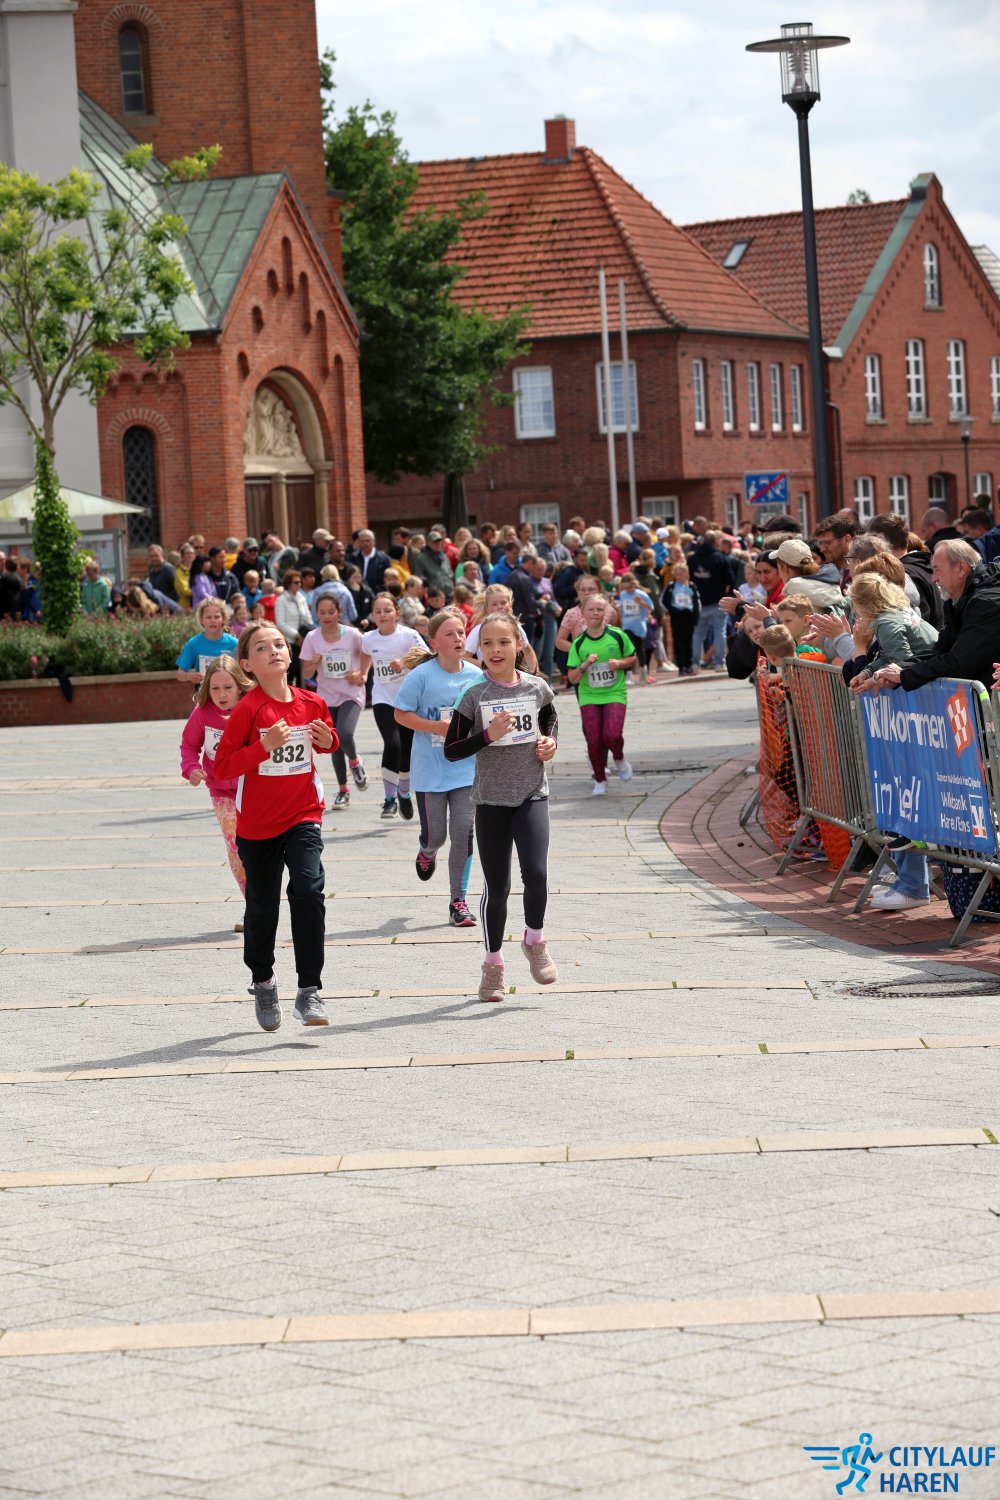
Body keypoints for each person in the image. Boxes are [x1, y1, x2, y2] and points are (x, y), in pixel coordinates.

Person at [214, 622, 337, 1030]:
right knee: (262, 908)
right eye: (263, 648)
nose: (275, 651)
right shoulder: (248, 709)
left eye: (280, 644)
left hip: (303, 814)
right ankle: (263, 980)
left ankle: (309, 990)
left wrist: (328, 740)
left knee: (309, 890)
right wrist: (263, 747)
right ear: (248, 664)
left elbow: (328, 741)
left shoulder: (312, 702)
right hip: (258, 825)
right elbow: (224, 766)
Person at [444, 610, 559, 1002]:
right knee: (498, 887)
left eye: (504, 642)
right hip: (491, 800)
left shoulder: (536, 687)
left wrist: (550, 742)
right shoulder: (473, 695)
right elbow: (452, 749)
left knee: (537, 873)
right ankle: (493, 965)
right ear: (478, 649)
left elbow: (550, 717)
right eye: (487, 643)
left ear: (518, 645)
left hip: (532, 793)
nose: (496, 649)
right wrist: (487, 736)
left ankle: (535, 940)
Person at [394, 609, 483, 927]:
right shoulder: (421, 676)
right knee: (436, 837)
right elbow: (401, 714)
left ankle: (458, 901)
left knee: (463, 834)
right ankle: (427, 852)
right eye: (450, 634)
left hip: (465, 769)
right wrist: (437, 727)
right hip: (430, 771)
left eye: (461, 632)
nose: (458, 638)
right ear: (434, 642)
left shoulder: (475, 676)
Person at [871, 539, 1000, 693]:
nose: (933, 579)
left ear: (961, 568)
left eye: (937, 570)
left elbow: (961, 661)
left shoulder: (985, 602)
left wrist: (905, 675)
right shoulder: (959, 599)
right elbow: (941, 648)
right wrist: (901, 667)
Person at [179, 654, 252, 926]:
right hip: (221, 791)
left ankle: (264, 899)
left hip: (254, 787)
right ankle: (252, 905)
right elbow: (189, 745)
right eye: (215, 688)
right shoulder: (202, 713)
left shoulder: (252, 708)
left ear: (240, 686)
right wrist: (191, 768)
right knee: (235, 849)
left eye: (228, 688)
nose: (221, 695)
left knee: (259, 849)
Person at [299, 594, 368, 808]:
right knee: (333, 744)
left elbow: (367, 655)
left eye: (331, 611)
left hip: (351, 693)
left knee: (345, 734)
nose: (327, 616)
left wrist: (361, 673)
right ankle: (343, 790)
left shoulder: (352, 635)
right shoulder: (312, 637)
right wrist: (313, 663)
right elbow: (306, 673)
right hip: (326, 696)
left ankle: (354, 762)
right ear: (316, 614)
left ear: (339, 612)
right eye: (322, 612)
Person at [359, 592, 423, 819]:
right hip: (383, 698)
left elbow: (425, 657)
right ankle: (389, 799)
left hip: (409, 700)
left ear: (397, 613)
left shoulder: (409, 635)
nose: (382, 615)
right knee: (392, 745)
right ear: (373, 615)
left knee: (407, 749)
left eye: (387, 610)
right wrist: (363, 673)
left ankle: (404, 792)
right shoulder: (369, 638)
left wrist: (404, 662)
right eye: (377, 611)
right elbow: (365, 655)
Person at [566, 592, 635, 795]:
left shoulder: (617, 635)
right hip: (589, 695)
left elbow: (632, 658)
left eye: (599, 609)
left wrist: (620, 663)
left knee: (612, 735)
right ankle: (600, 779)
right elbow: (572, 678)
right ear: (583, 613)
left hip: (614, 692)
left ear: (606, 613)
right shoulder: (579, 643)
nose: (595, 613)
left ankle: (619, 758)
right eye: (591, 609)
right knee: (594, 739)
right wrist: (584, 665)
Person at [466, 583, 539, 674]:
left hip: (513, 679)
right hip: (488, 678)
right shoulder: (479, 630)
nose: (500, 607)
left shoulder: (516, 627)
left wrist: (535, 674)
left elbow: (528, 651)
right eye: (494, 604)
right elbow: (464, 657)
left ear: (510, 605)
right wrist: (485, 665)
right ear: (487, 608)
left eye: (503, 603)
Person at [688, 530, 732, 670]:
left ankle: (695, 663)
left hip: (699, 602)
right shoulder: (720, 558)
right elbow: (730, 579)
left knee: (698, 633)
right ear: (715, 542)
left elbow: (688, 580)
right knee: (720, 632)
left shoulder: (692, 559)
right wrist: (727, 594)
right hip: (718, 600)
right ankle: (719, 662)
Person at [770, 538, 843, 613]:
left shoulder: (794, 594)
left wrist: (769, 618)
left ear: (785, 567)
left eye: (778, 567)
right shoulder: (828, 585)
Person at [176, 598, 239, 683]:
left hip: (229, 689)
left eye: (216, 617)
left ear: (223, 619)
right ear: (201, 620)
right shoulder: (193, 643)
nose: (212, 621)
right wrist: (189, 676)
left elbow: (244, 671)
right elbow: (179, 674)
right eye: (208, 617)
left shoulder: (235, 643)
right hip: (202, 689)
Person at [615, 571, 656, 683]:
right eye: (625, 587)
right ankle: (628, 675)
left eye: (630, 587)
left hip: (639, 626)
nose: (628, 590)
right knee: (628, 649)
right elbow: (622, 607)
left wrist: (641, 602)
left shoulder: (641, 594)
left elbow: (650, 608)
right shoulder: (623, 594)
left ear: (634, 584)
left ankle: (643, 674)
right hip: (627, 626)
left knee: (639, 649)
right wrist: (618, 606)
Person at [274, 568, 313, 685]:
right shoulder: (281, 600)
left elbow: (308, 618)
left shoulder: (301, 598)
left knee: (303, 676)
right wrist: (297, 636)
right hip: (289, 643)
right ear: (288, 584)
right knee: (290, 674)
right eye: (296, 582)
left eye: (300, 582)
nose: (299, 584)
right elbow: (280, 623)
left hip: (304, 642)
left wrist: (307, 635)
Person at [663, 563, 699, 675]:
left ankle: (689, 665)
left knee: (688, 641)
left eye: (681, 574)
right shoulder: (671, 586)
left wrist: (695, 616)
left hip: (688, 616)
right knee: (678, 641)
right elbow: (664, 601)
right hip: (677, 616)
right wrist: (673, 610)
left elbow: (696, 602)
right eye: (677, 574)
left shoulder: (691, 586)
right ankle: (681, 666)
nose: (679, 577)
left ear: (686, 574)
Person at [772, 595, 827, 660]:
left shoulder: (810, 651)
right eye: (781, 622)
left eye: (788, 621)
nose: (783, 626)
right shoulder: (792, 648)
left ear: (806, 621)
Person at [412, 530, 454, 600]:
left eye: (439, 541)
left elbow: (450, 572)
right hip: (433, 596)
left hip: (449, 593)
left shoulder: (444, 556)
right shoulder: (421, 558)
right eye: (435, 542)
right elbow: (419, 577)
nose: (438, 544)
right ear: (428, 543)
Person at [174, 542, 197, 609]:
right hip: (186, 607)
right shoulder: (179, 572)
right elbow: (185, 591)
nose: (190, 555)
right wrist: (199, 592)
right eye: (187, 553)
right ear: (182, 556)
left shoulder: (198, 570)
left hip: (198, 605)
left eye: (192, 553)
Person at [0, 556, 23, 620]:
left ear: (6, 566)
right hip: (16, 611)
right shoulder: (19, 579)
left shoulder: (3, 579)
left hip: (4, 612)